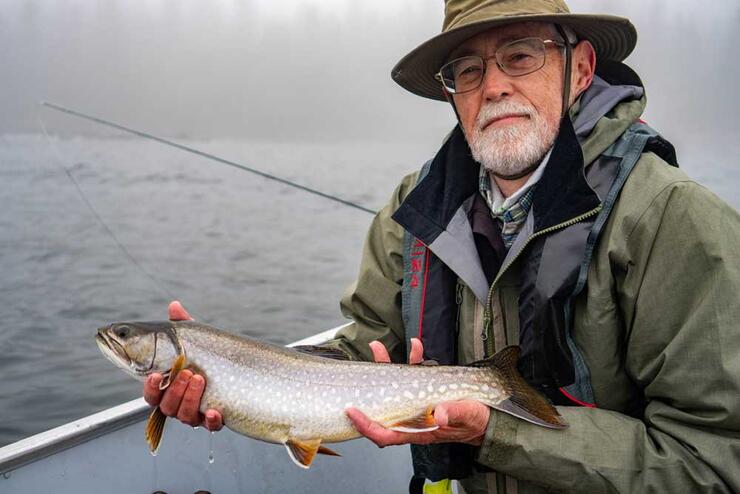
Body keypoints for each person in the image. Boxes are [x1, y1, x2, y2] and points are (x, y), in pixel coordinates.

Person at [143, 0, 740, 492]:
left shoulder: (676, 220)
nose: (495, 86)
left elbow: (715, 462)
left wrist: (495, 430)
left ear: (580, 70)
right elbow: (360, 354)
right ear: (453, 93)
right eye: (470, 70)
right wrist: (226, 373)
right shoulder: (412, 212)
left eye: (521, 56)